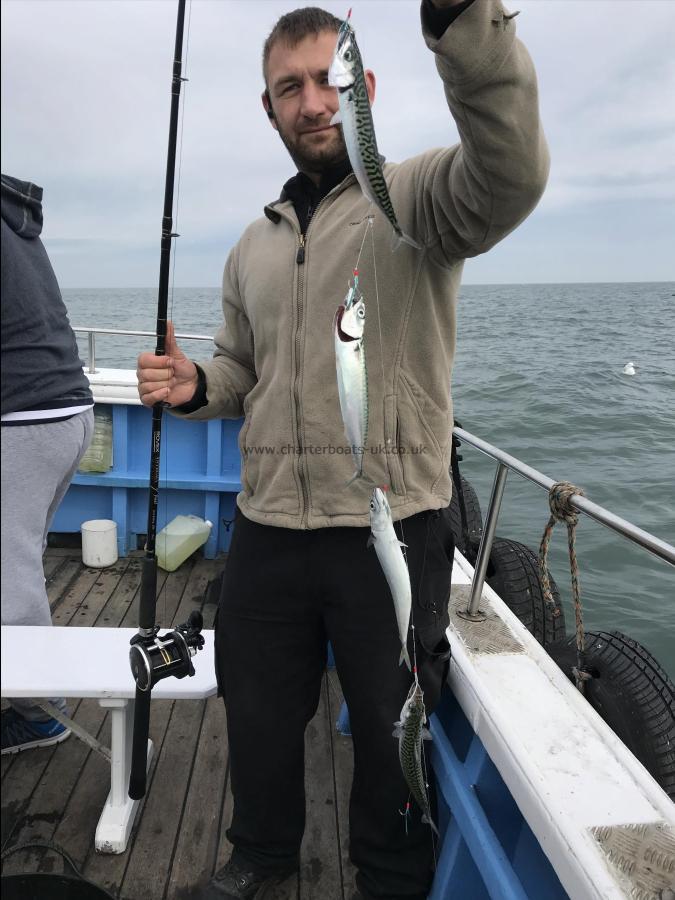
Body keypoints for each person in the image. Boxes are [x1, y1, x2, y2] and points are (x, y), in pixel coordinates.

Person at [137, 1, 549, 897]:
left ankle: (392, 875)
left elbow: (510, 175)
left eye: (329, 81)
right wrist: (199, 386)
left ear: (362, 90)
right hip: (270, 522)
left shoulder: (418, 202)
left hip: (391, 525)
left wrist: (465, 30)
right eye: (291, 87)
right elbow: (244, 366)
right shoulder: (252, 244)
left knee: (390, 717)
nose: (312, 101)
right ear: (269, 107)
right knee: (256, 711)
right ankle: (261, 854)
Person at [1, 174, 94, 754]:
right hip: (68, 411)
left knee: (7, 585)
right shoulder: (15, 217)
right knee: (19, 559)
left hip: (23, 421)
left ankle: (41, 713)